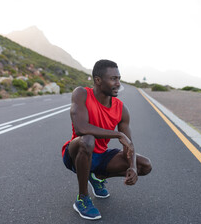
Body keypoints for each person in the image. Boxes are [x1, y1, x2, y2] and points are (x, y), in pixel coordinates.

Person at [62, 59, 152, 220]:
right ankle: (82, 198)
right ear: (98, 80)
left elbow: (128, 145)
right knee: (87, 140)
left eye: (119, 78)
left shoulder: (121, 108)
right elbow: (81, 128)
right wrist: (117, 134)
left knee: (144, 166)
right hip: (76, 154)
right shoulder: (82, 94)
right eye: (113, 79)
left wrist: (132, 167)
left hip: (100, 156)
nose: (118, 83)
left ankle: (97, 177)